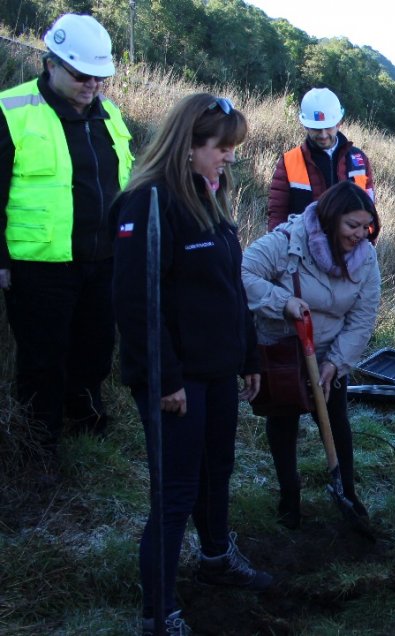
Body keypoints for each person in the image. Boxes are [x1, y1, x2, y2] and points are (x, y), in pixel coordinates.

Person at [113, 93, 273, 636]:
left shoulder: (211, 196)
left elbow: (230, 285)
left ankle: (214, 560)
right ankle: (158, 613)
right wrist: (165, 377)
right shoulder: (148, 202)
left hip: (218, 369)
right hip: (173, 379)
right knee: (175, 490)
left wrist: (248, 354)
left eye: (233, 147)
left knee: (216, 472)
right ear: (187, 145)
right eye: (221, 147)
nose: (230, 157)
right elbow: (137, 301)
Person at [0, 13, 132, 459]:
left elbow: (125, 181)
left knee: (95, 350)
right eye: (81, 75)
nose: (92, 86)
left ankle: (86, 424)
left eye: (101, 78)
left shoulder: (109, 113)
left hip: (103, 260)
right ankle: (39, 445)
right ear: (51, 63)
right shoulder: (11, 111)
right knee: (43, 360)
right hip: (39, 267)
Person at [242, 180, 381, 529]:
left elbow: (363, 318)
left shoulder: (366, 258)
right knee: (284, 421)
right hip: (284, 351)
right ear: (331, 218)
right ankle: (289, 498)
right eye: (352, 225)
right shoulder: (287, 242)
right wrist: (281, 302)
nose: (360, 234)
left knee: (336, 422)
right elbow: (240, 273)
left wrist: (336, 362)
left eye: (366, 226)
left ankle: (347, 492)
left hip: (330, 353)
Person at [266, 87, 374, 232]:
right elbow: (277, 215)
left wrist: (366, 247)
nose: (323, 135)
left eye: (328, 128)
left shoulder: (359, 160)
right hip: (302, 250)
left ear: (339, 123)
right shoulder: (289, 161)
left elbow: (369, 209)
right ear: (305, 125)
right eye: (316, 129)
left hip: (349, 250)